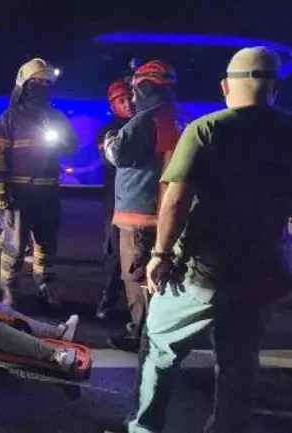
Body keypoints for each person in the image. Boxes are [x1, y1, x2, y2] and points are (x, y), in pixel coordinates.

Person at [120, 46, 292, 433]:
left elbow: (175, 201)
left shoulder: (206, 129)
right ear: (276, 87)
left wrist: (160, 254)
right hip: (262, 273)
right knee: (239, 361)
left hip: (203, 273)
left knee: (160, 345)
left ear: (225, 87)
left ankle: (144, 427)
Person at [103, 60, 180, 352]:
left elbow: (119, 153)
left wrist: (110, 140)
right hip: (162, 212)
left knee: (136, 277)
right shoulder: (174, 117)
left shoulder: (145, 120)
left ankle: (141, 334)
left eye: (135, 90)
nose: (132, 98)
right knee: (154, 274)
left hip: (139, 216)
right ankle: (153, 329)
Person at [0, 58, 79, 307]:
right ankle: (8, 288)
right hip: (19, 192)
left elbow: (72, 147)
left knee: (46, 243)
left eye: (46, 83)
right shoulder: (10, 117)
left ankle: (45, 283)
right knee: (15, 246)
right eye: (36, 82)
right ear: (25, 85)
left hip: (48, 191)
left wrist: (65, 142)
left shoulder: (56, 117)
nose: (42, 87)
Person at [95, 81, 134, 319]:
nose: (128, 104)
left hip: (139, 201)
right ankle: (108, 297)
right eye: (121, 101)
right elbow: (110, 161)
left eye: (130, 98)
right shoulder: (107, 131)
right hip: (115, 201)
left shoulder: (146, 124)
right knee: (114, 252)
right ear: (113, 105)